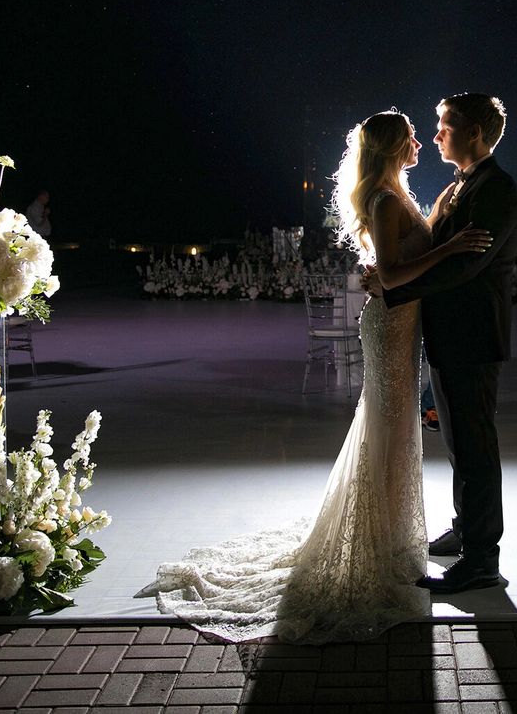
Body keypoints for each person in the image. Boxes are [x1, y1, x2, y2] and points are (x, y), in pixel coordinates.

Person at [138, 110, 490, 644]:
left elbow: (396, 264)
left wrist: (437, 228)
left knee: (395, 431)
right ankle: (378, 544)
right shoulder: (386, 199)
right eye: (411, 137)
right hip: (390, 326)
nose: (421, 142)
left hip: (402, 325)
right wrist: (449, 248)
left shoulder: (397, 194)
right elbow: (392, 273)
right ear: (392, 147)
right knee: (389, 429)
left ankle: (390, 537)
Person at [365, 93, 517, 594]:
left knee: (476, 447)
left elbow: (466, 265)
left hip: (473, 336)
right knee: (459, 444)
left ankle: (482, 560)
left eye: (445, 127)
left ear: (473, 132)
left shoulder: (496, 189)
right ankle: (465, 530)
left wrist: (393, 289)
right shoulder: (460, 187)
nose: (435, 136)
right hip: (450, 335)